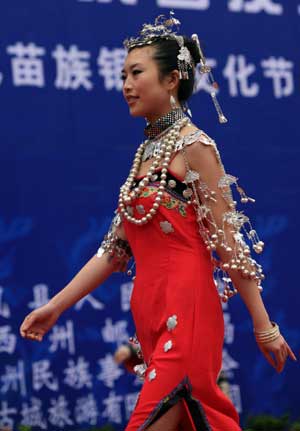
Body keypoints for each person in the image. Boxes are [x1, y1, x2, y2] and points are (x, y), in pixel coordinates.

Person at [20, 12, 296, 431]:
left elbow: (229, 242)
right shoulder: (145, 157)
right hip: (149, 315)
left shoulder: (195, 146)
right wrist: (54, 308)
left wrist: (264, 326)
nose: (126, 85)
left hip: (185, 311)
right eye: (122, 75)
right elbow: (113, 252)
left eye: (136, 73)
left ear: (171, 80)